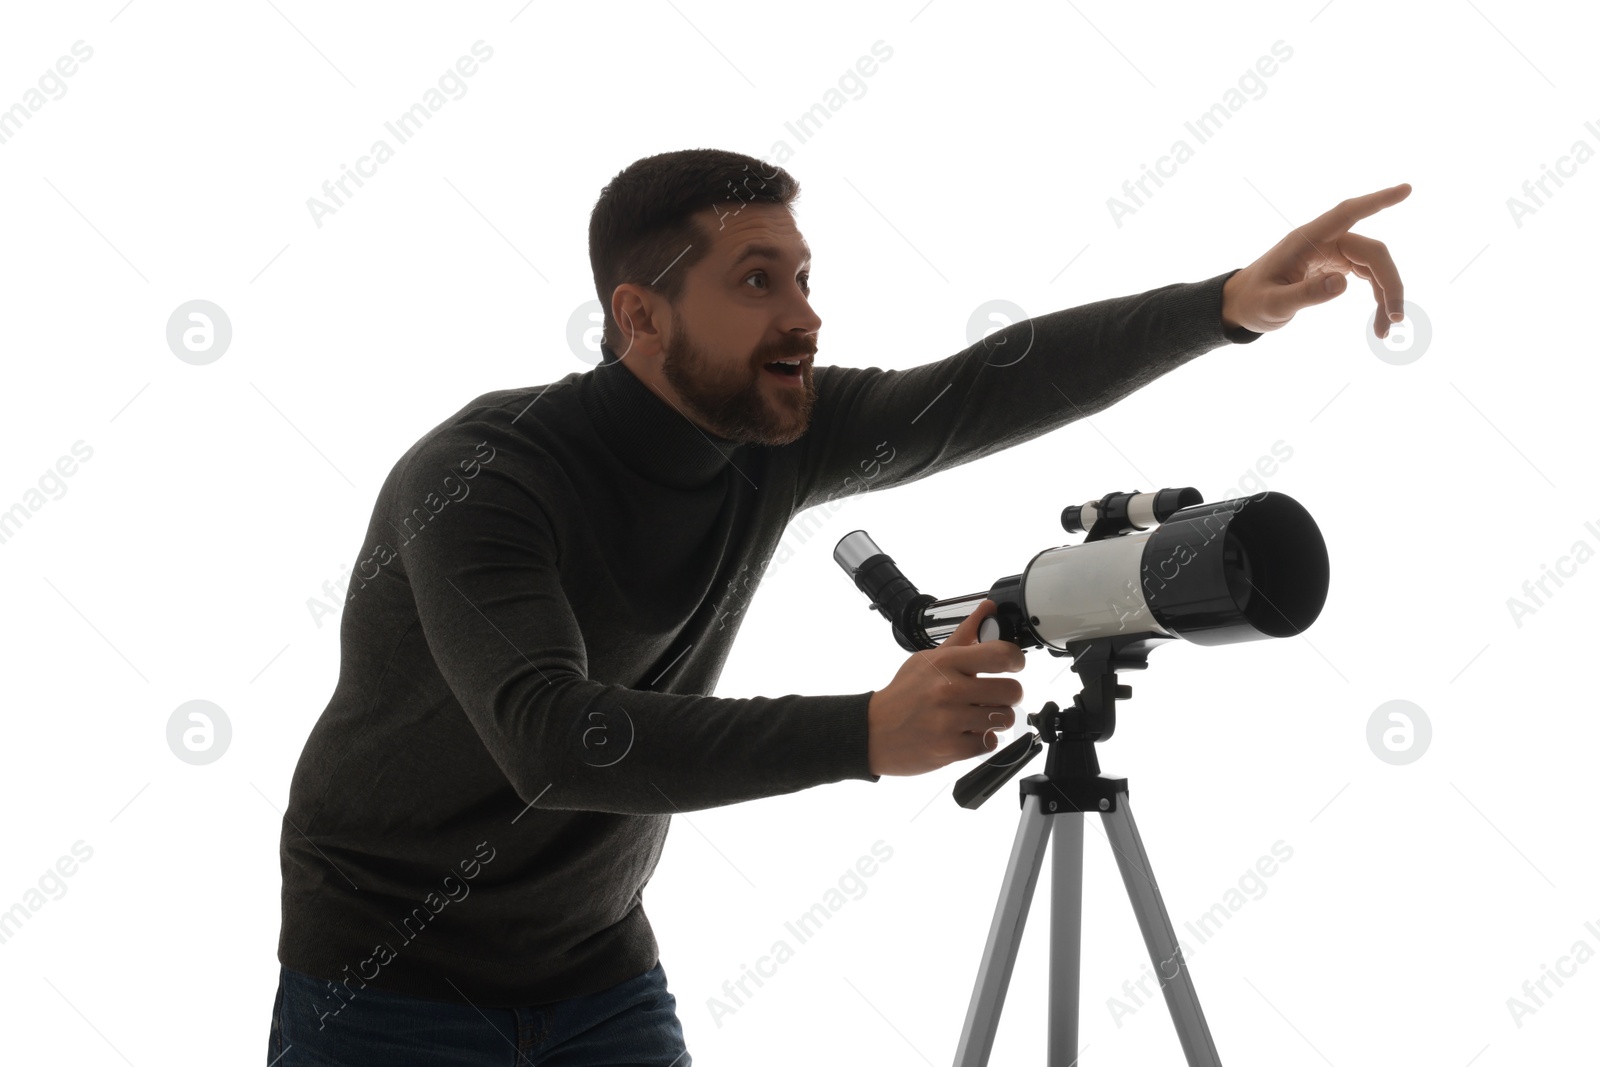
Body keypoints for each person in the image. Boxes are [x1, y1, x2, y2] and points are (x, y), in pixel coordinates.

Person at [267, 147, 1409, 1065]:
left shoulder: (774, 434)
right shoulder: (482, 477)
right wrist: (865, 730)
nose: (804, 315)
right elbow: (552, 737)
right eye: (757, 280)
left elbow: (977, 388)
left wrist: (1224, 307)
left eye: (805, 277)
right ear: (642, 315)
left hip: (596, 968)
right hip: (386, 980)